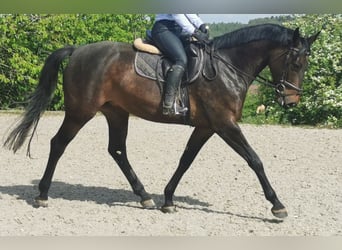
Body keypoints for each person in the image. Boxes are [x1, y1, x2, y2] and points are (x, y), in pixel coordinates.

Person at [151, 14, 210, 116]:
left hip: (177, 30)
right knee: (181, 59)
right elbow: (178, 15)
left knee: (197, 49)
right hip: (163, 29)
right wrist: (195, 32)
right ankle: (168, 103)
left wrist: (201, 24)